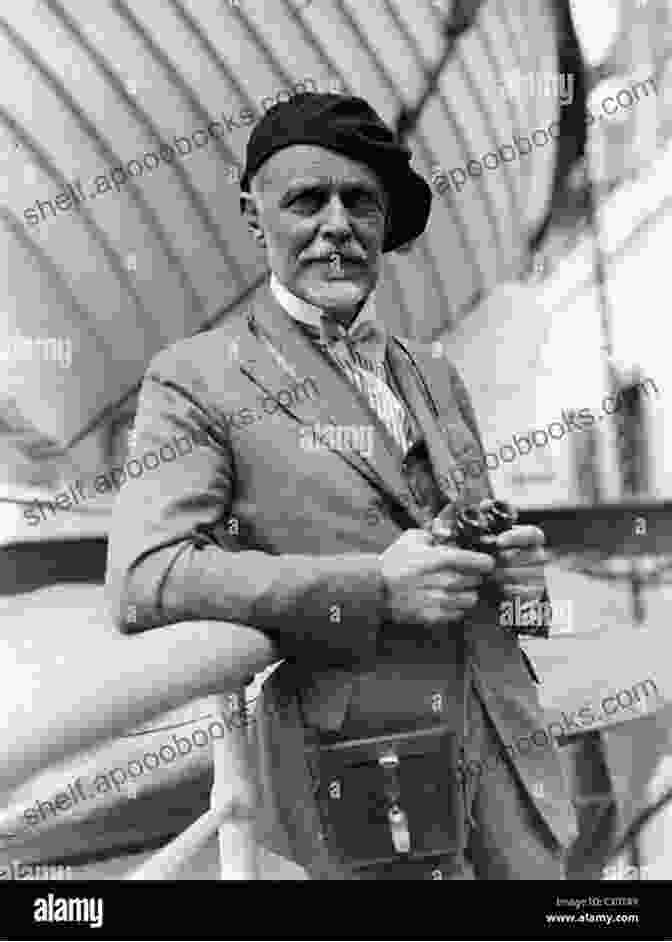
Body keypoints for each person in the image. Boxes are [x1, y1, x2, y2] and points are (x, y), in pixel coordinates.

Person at [105, 92, 577, 879]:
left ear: (385, 221)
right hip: (366, 765)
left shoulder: (432, 373)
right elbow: (145, 577)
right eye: (305, 200)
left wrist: (513, 572)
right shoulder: (197, 378)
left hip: (509, 753)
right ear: (255, 217)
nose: (336, 225)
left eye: (359, 202)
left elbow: (479, 566)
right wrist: (375, 587)